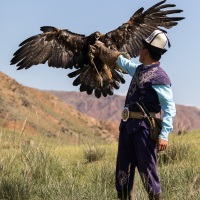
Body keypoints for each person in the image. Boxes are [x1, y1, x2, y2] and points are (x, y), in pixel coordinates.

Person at [90, 30, 176, 200]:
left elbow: (169, 107)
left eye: (141, 46)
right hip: (127, 128)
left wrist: (164, 135)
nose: (138, 48)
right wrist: (101, 48)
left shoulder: (160, 77)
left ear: (146, 51)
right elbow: (121, 61)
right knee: (123, 176)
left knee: (148, 175)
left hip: (144, 131)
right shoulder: (139, 70)